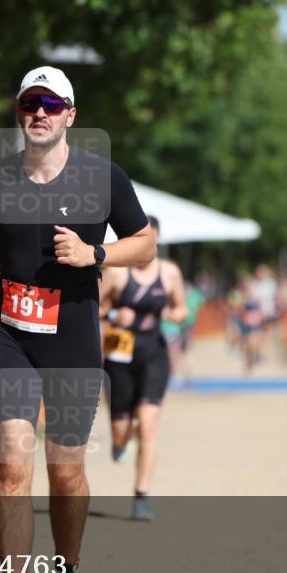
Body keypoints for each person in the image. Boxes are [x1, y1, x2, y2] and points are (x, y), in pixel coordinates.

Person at [0, 66, 156, 573]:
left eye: (51, 104)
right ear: (19, 113)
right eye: (30, 104)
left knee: (65, 471)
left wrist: (95, 253)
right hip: (12, 339)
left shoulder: (102, 179)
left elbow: (146, 245)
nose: (40, 113)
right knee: (12, 464)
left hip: (72, 342)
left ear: (71, 114)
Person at [99, 216, 187, 520]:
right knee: (121, 431)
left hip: (153, 354)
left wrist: (171, 314)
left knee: (149, 424)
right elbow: (93, 308)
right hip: (118, 357)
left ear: (157, 241)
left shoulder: (170, 273)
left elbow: (181, 308)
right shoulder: (116, 273)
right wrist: (112, 316)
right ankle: (120, 441)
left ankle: (140, 497)